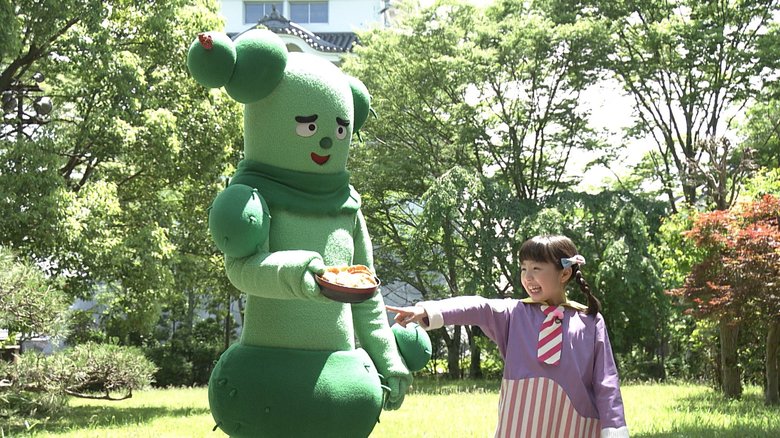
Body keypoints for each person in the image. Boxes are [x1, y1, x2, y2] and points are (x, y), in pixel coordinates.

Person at [387, 235, 629, 438]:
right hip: (520, 426)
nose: (528, 277)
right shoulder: (514, 314)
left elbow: (606, 381)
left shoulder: (589, 321)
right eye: (524, 269)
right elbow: (477, 307)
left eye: (536, 268)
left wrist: (615, 429)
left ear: (564, 274)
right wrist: (427, 310)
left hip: (577, 427)